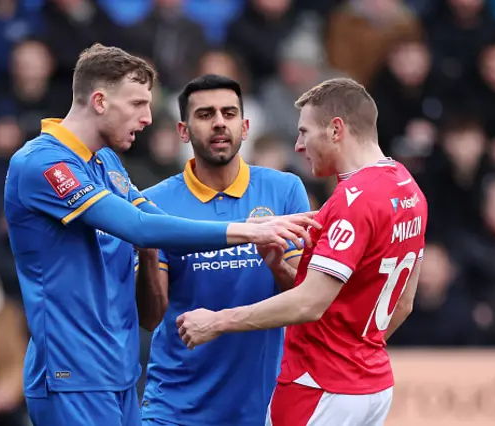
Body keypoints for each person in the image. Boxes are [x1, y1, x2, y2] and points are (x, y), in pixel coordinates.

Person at [4, 43, 316, 426]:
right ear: (100, 101)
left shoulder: (105, 162)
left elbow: (153, 217)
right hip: (72, 372)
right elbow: (138, 226)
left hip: (118, 371)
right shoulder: (42, 163)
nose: (148, 118)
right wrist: (249, 230)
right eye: (137, 104)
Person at [176, 78, 428, 426]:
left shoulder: (355, 200)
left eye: (305, 132)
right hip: (371, 386)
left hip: (318, 385)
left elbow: (310, 303)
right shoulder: (408, 187)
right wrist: (280, 266)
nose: (298, 145)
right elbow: (403, 303)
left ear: (336, 130)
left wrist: (217, 322)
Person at [136, 74, 311, 426]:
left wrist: (277, 265)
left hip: (261, 407)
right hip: (175, 408)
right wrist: (148, 250)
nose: (219, 122)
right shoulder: (154, 202)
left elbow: (304, 300)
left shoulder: (284, 190)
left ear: (245, 127)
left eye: (229, 113)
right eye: (205, 114)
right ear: (183, 131)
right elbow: (150, 316)